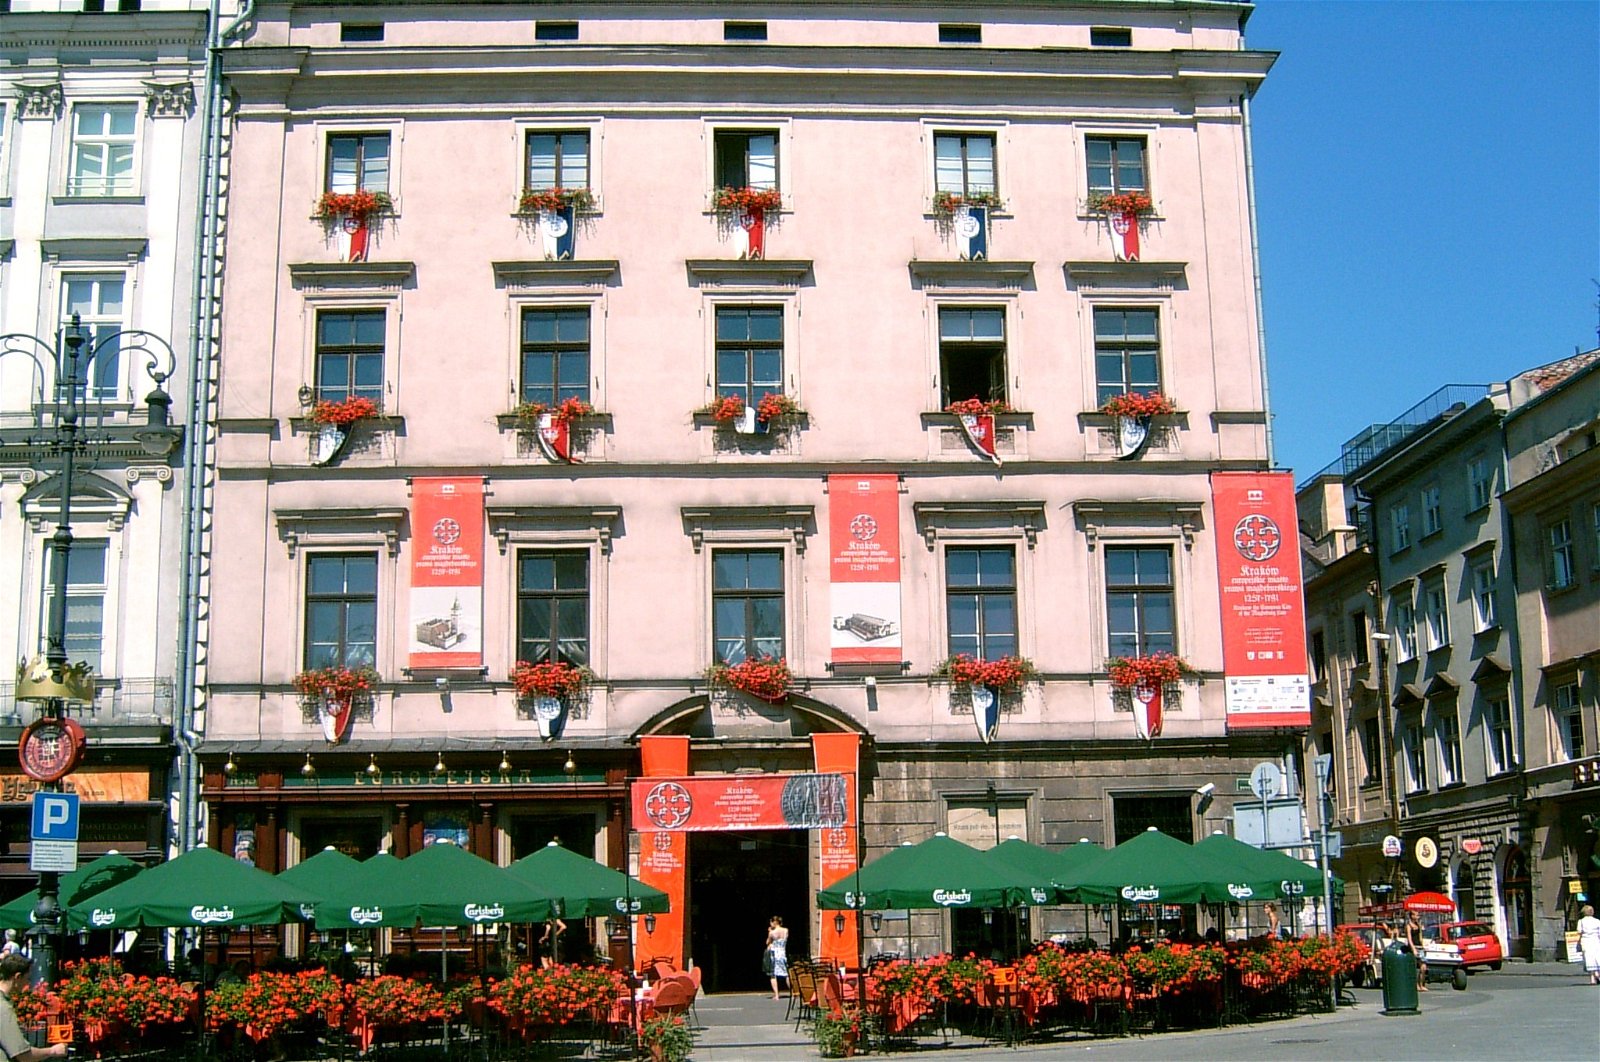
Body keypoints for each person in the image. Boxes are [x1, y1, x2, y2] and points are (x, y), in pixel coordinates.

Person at [0, 953, 69, 1061]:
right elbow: (23, 1055)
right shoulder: (3, 1008)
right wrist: (53, 1051)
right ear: (18, 977)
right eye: (27, 979)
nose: (28, 984)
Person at [765, 915, 789, 1001]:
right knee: (786, 974)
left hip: (775, 954)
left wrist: (770, 932)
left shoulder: (772, 933)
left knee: (773, 975)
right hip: (782, 953)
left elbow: (767, 942)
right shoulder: (785, 930)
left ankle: (776, 995)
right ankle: (794, 992)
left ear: (774, 922)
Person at [1404, 911, 1429, 991]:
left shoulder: (1418, 925)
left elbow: (1420, 937)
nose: (1417, 916)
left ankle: (1421, 984)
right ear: (1412, 916)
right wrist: (1413, 949)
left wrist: (1423, 946)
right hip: (1413, 947)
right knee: (1414, 967)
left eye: (1418, 915)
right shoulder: (1408, 926)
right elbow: (1409, 939)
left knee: (1423, 967)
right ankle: (1415, 985)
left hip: (1419, 947)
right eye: (1416, 915)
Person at [1577, 904, 1600, 986]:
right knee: (1596, 957)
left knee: (1589, 958)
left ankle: (1593, 978)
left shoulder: (1581, 921)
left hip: (1586, 941)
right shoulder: (1597, 921)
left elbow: (1579, 932)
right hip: (1596, 941)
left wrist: (1578, 943)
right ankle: (1597, 974)